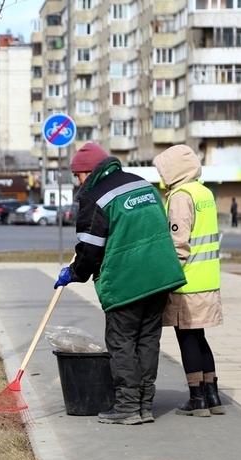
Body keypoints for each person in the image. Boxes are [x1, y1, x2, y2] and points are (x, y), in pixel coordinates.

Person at [53, 142, 186, 425]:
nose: (78, 182)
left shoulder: (95, 196)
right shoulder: (143, 185)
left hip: (127, 280)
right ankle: (145, 405)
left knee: (121, 341)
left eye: (78, 176)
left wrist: (74, 272)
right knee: (148, 341)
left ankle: (127, 406)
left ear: (89, 172)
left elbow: (90, 250)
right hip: (160, 276)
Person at [154, 145, 225, 417]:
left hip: (187, 282)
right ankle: (213, 396)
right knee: (200, 337)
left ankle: (197, 398)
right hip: (208, 280)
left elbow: (178, 243)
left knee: (187, 338)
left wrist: (166, 276)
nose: (162, 175)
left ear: (175, 169)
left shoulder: (181, 197)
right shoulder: (204, 193)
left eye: (163, 169)